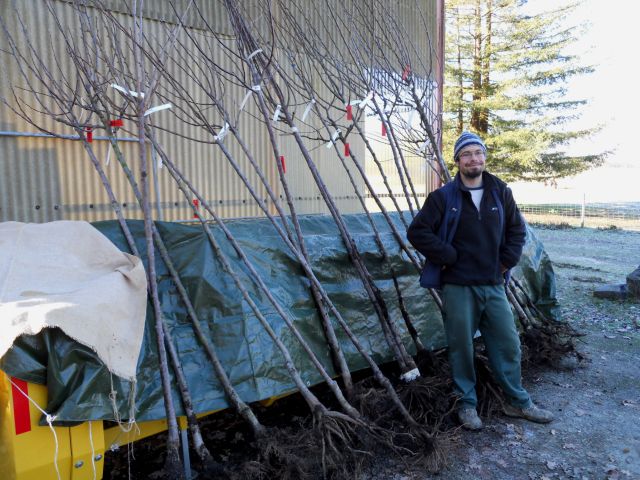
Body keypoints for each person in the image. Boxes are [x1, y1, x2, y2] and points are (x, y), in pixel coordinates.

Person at [407, 131, 553, 430]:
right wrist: (448, 255)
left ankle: (517, 402)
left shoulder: (500, 192)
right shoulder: (443, 197)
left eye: (478, 153)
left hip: (493, 283)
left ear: (484, 157)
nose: (473, 159)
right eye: (467, 154)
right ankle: (467, 404)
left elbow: (516, 230)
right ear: (458, 160)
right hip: (458, 285)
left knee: (508, 343)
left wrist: (506, 261)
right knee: (461, 346)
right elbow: (417, 232)